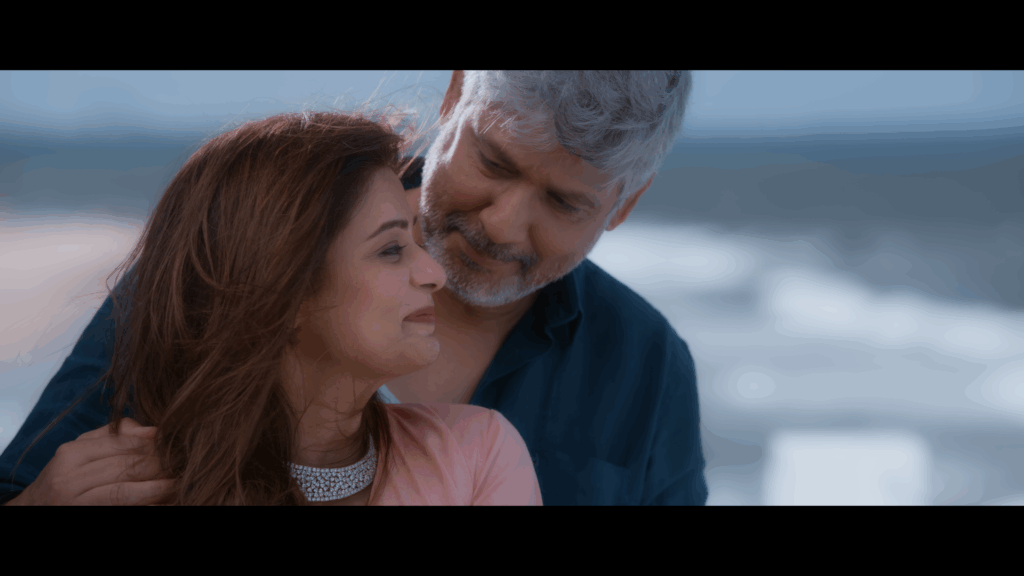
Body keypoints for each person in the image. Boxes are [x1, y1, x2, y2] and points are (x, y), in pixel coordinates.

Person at [2, 70, 707, 505]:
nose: (504, 224)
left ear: (624, 205)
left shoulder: (648, 367)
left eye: (563, 203)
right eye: (494, 162)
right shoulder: (237, 256)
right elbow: (28, 484)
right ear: (455, 92)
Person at [1, 108, 541, 505]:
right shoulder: (120, 485)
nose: (435, 275)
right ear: (283, 296)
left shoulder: (476, 454)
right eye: (391, 250)